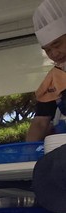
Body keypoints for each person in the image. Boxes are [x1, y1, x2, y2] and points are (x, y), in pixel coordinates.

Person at [27, 0, 66, 141]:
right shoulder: (53, 79)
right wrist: (28, 150)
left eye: (57, 44)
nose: (54, 53)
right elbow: (40, 123)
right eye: (47, 50)